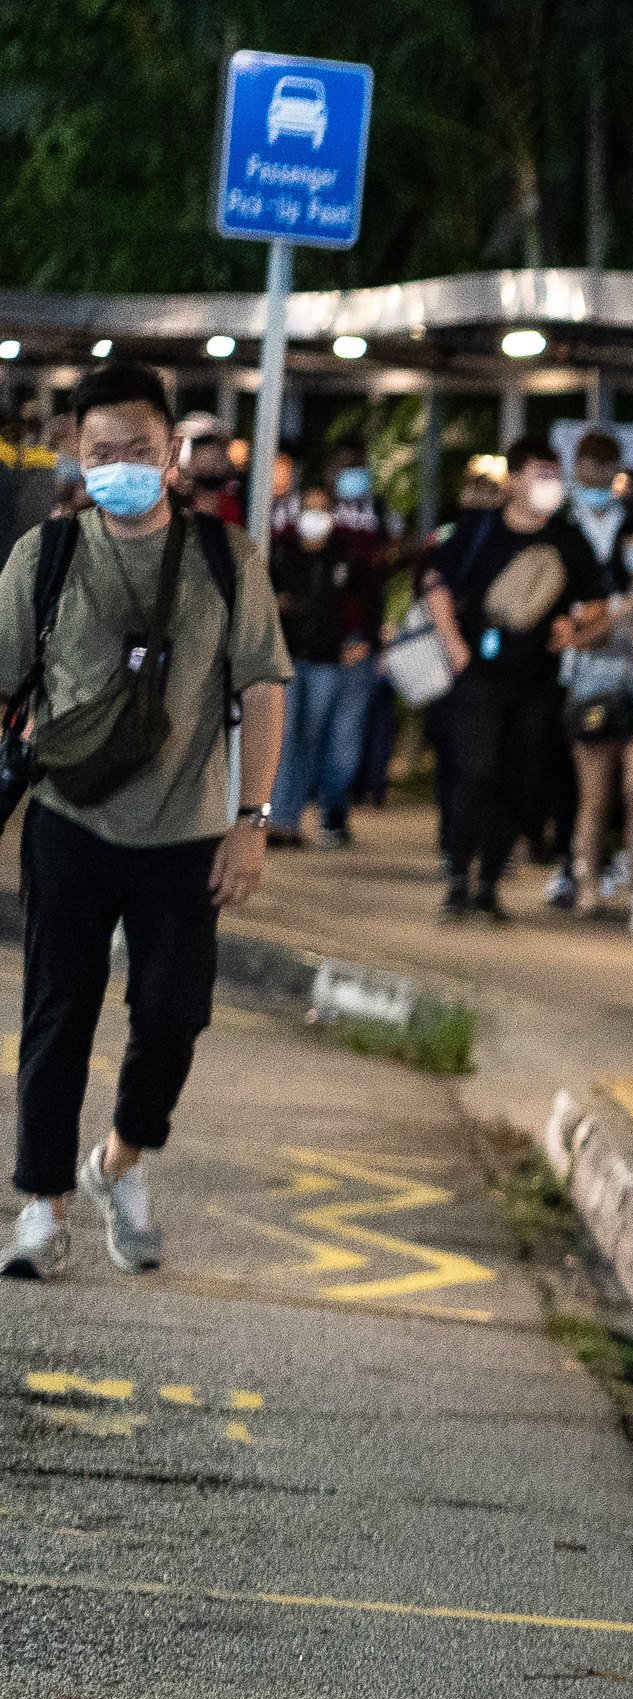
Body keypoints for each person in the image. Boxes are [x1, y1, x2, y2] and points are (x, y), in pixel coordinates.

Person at [0, 365, 288, 1278]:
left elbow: (263, 689)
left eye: (138, 449)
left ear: (172, 453)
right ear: (76, 458)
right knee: (57, 1016)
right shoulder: (42, 557)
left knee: (173, 1018)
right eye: (101, 452)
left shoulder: (225, 558)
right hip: (67, 823)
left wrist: (253, 817)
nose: (120, 465)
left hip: (187, 835)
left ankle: (117, 1162)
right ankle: (41, 1212)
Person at [419, 433, 610, 922]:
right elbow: (435, 583)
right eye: (539, 475)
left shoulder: (567, 539)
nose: (549, 485)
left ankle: (488, 884)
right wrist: (454, 645)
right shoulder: (480, 529)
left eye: (554, 475)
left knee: (515, 780)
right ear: (515, 478)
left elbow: (598, 602)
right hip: (479, 675)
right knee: (476, 771)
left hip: (537, 680)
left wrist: (576, 626)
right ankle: (458, 877)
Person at [553, 426, 633, 930]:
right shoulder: (562, 527)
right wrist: (609, 613)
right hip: (587, 675)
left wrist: (610, 613)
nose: (594, 477)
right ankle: (585, 878)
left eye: (603, 468)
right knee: (593, 790)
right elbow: (565, 612)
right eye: (586, 468)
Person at [264, 477, 386, 850]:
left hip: (327, 661)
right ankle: (281, 820)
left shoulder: (345, 556)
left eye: (321, 508)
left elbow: (369, 603)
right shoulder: (282, 552)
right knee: (284, 737)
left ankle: (296, 813)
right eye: (308, 507)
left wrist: (365, 642)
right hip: (286, 657)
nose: (313, 516)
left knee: (312, 737)